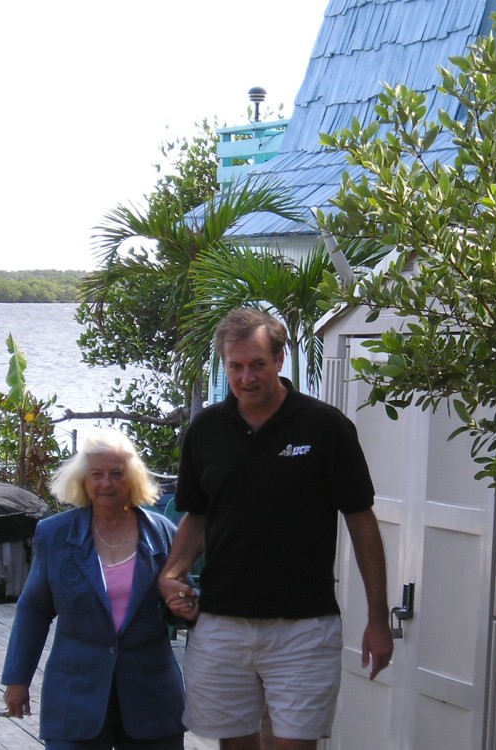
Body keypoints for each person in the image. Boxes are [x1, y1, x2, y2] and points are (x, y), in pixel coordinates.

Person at [158, 307, 394, 750]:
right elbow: (197, 516)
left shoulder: (326, 428)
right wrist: (171, 574)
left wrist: (378, 618)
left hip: (304, 626)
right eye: (236, 367)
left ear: (280, 359)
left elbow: (362, 522)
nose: (246, 378)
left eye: (258, 364)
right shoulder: (206, 429)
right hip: (222, 622)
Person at [2, 429, 187, 750]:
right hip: (75, 696)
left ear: (132, 478)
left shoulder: (163, 534)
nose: (106, 483)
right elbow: (34, 609)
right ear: (82, 481)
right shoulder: (53, 534)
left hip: (152, 697)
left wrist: (186, 606)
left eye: (117, 474)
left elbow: (183, 607)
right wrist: (18, 679)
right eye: (96, 475)